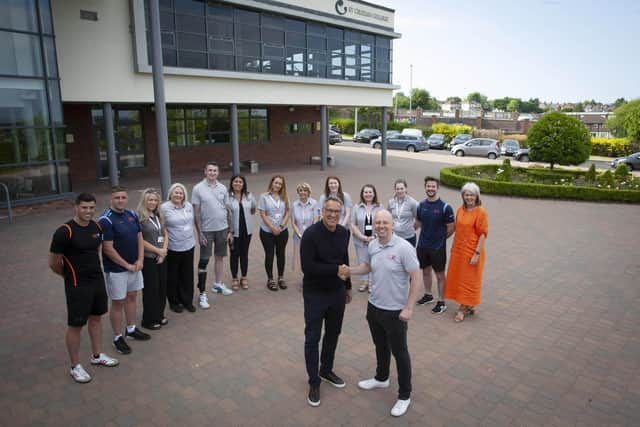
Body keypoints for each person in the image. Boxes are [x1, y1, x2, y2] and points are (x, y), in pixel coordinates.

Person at [349, 210, 423, 417]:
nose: (381, 226)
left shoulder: (404, 248)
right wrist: (349, 270)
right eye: (378, 222)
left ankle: (404, 395)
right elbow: (367, 266)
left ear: (392, 225)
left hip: (395, 312)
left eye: (385, 222)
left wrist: (408, 307)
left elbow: (416, 278)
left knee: (399, 353)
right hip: (374, 307)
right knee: (380, 345)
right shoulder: (373, 244)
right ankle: (381, 378)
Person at [49, 193, 119, 383]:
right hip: (77, 285)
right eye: (84, 207)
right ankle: (75, 366)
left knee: (96, 318)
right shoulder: (64, 231)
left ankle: (97, 356)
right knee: (76, 324)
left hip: (96, 281)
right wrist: (69, 275)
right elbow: (54, 263)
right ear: (76, 207)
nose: (88, 211)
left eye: (91, 208)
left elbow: (95, 251)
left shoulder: (96, 226)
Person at [301, 196, 352, 407]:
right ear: (322, 211)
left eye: (336, 212)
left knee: (333, 333)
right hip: (315, 293)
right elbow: (308, 267)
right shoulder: (310, 235)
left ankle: (326, 369)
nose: (332, 215)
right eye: (329, 211)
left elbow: (344, 259)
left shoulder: (343, 233)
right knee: (313, 337)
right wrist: (335, 270)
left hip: (337, 293)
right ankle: (314, 381)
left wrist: (347, 286)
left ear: (341, 213)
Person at [99, 186, 151, 355]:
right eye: (117, 198)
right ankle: (117, 337)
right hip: (117, 270)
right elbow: (107, 248)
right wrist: (126, 265)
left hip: (135, 266)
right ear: (111, 199)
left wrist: (140, 259)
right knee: (118, 303)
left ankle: (131, 329)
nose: (120, 200)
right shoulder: (106, 220)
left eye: (123, 197)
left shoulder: (131, 215)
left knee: (132, 297)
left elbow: (139, 238)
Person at [444, 182, 488, 323]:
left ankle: (463, 309)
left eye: (472, 195)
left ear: (476, 196)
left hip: (472, 252)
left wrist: (477, 253)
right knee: (458, 278)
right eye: (466, 194)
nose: (469, 197)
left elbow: (482, 234)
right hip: (458, 251)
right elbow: (456, 229)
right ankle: (468, 305)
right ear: (463, 196)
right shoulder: (460, 210)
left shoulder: (480, 212)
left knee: (468, 281)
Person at [193, 161, 234, 309]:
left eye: (215, 171)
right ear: (205, 171)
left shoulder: (223, 188)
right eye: (209, 170)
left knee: (219, 257)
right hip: (207, 231)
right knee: (204, 259)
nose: (212, 173)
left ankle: (218, 284)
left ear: (218, 173)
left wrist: (230, 230)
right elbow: (196, 213)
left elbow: (228, 210)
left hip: (222, 229)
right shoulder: (198, 189)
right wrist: (200, 233)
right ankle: (202, 292)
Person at [415, 176, 455, 314]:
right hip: (422, 246)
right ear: (425, 187)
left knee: (439, 275)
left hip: (437, 247)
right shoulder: (421, 205)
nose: (430, 189)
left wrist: (441, 239)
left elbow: (451, 227)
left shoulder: (445, 207)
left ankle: (442, 301)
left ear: (437, 188)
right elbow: (418, 223)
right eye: (428, 186)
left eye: (433, 186)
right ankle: (428, 295)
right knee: (425, 271)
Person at [161, 183, 197, 313]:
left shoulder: (188, 206)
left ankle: (187, 301)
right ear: (170, 193)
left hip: (189, 245)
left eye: (181, 193)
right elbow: (162, 227)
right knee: (173, 275)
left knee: (187, 274)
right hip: (173, 246)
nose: (178, 195)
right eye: (176, 192)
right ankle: (174, 301)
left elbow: (191, 222)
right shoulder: (164, 208)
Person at [137, 188, 168, 330]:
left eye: (155, 200)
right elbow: (140, 240)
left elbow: (165, 234)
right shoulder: (140, 218)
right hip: (149, 258)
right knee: (151, 289)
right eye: (150, 199)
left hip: (161, 258)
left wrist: (163, 252)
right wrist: (158, 251)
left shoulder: (158, 215)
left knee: (162, 287)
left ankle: (159, 315)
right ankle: (148, 319)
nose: (153, 202)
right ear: (144, 200)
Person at [258, 175, 290, 291]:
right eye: (276, 183)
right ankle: (270, 279)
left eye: (280, 184)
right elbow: (262, 214)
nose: (277, 185)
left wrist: (281, 226)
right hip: (267, 231)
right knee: (270, 254)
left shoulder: (285, 196)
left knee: (281, 254)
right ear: (272, 183)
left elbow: (287, 212)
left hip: (282, 231)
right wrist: (272, 227)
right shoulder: (264, 196)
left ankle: (281, 277)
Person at [350, 184, 384, 292]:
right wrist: (363, 237)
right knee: (363, 260)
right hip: (360, 240)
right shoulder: (357, 207)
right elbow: (352, 224)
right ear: (362, 194)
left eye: (370, 192)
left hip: (376, 240)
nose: (368, 194)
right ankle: (364, 281)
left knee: (374, 261)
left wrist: (375, 236)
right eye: (366, 192)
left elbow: (383, 223)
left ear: (374, 194)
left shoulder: (380, 207)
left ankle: (372, 282)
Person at [228, 174, 256, 290]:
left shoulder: (249, 196)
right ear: (232, 183)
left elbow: (253, 209)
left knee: (244, 254)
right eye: (235, 181)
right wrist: (228, 232)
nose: (238, 183)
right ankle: (235, 278)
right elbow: (225, 214)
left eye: (240, 182)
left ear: (243, 184)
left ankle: (244, 277)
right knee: (234, 255)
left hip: (247, 231)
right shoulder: (227, 197)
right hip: (233, 232)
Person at [291, 182, 317, 275]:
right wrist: (299, 234)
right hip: (299, 237)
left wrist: (309, 234)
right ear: (298, 192)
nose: (303, 192)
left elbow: (315, 220)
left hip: (312, 236)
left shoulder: (314, 203)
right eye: (301, 190)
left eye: (305, 190)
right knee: (301, 258)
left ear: (309, 192)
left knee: (312, 257)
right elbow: (293, 223)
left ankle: (313, 277)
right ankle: (305, 278)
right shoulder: (294, 205)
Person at [387, 179, 419, 247]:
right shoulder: (391, 202)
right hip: (394, 236)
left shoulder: (413, 203)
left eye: (402, 188)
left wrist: (411, 228)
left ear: (406, 189)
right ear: (395, 190)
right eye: (397, 189)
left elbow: (418, 219)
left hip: (409, 237)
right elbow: (388, 217)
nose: (399, 191)